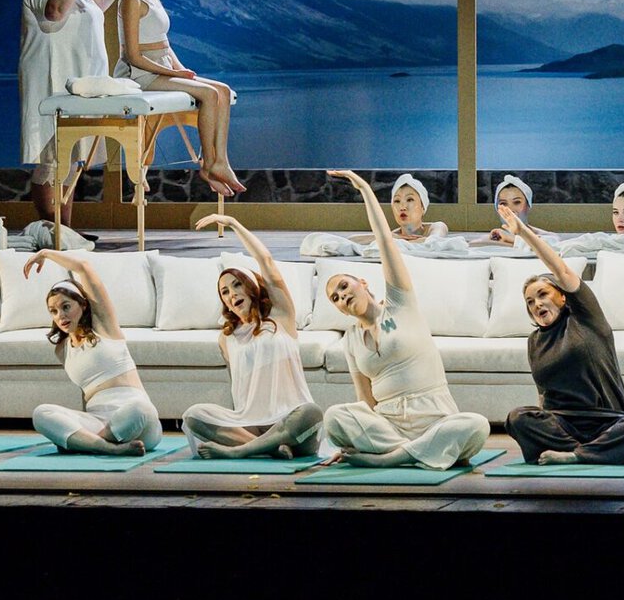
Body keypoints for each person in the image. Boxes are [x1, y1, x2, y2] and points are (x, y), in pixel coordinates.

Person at [318, 169, 491, 469]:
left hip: (436, 420)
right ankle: (416, 452)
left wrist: (363, 189)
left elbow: (386, 242)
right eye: (335, 298)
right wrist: (351, 437)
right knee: (335, 417)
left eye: (344, 287)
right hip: (389, 426)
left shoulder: (400, 304)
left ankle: (393, 458)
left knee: (476, 425)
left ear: (363, 282)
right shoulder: (351, 340)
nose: (342, 296)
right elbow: (366, 402)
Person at [499, 212, 624, 465]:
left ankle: (578, 455)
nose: (536, 304)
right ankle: (591, 453)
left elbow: (560, 268)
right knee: (517, 418)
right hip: (563, 425)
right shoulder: (534, 341)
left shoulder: (586, 318)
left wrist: (523, 233)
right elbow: (542, 394)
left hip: (609, 420)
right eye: (530, 301)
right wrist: (543, 427)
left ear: (562, 297)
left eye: (542, 294)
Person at [180, 214, 324, 459]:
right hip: (251, 426)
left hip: (293, 426)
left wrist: (234, 223)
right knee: (193, 415)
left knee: (311, 412)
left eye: (237, 285)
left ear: (252, 287)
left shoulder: (280, 317)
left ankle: (240, 452)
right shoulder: (227, 338)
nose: (231, 294)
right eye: (224, 291)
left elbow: (265, 259)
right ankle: (268, 448)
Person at [114, 0, 243, 196]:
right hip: (144, 74)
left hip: (163, 68)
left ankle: (220, 161)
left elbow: (164, 44)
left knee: (224, 91)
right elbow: (134, 57)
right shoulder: (131, 0)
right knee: (208, 94)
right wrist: (175, 73)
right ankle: (208, 165)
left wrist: (183, 70)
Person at [19, 0, 131, 227]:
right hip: (51, 83)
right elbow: (55, 11)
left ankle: (64, 229)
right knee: (53, 160)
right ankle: (52, 229)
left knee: (70, 160)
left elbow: (92, 8)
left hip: (75, 84)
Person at [26, 248, 159, 455]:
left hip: (137, 421)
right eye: (54, 311)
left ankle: (85, 443)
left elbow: (84, 267)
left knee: (140, 409)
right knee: (41, 413)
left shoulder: (103, 326)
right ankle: (106, 447)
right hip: (97, 422)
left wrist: (45, 253)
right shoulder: (62, 349)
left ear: (83, 305)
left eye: (66, 306)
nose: (60, 315)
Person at [476, 174, 537, 244]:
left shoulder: (546, 239)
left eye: (517, 202)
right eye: (503, 203)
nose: (510, 209)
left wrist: (512, 240)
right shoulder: (486, 241)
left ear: (528, 205)